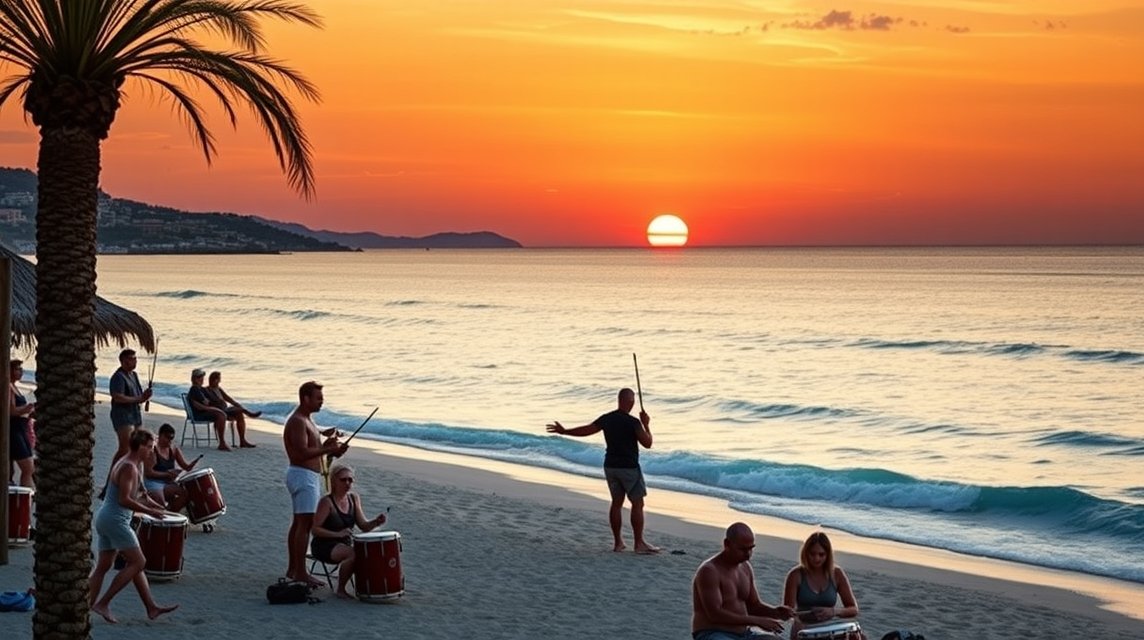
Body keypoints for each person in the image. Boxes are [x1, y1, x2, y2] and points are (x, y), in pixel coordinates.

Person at [546, 387, 659, 553]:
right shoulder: (634, 422)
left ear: (619, 401)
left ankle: (618, 543)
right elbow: (647, 443)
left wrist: (565, 431)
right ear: (631, 402)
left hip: (610, 467)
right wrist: (646, 425)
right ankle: (639, 543)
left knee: (616, 503)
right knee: (637, 503)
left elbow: (587, 430)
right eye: (633, 400)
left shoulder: (607, 418)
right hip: (628, 468)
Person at [88, 428, 178, 624]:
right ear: (140, 447)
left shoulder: (135, 465)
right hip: (115, 520)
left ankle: (150, 607)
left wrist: (159, 508)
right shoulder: (129, 467)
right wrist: (149, 512)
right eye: (149, 447)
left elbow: (143, 496)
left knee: (104, 566)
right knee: (139, 562)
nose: (152, 451)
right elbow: (124, 500)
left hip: (106, 519)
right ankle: (102, 604)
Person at [283, 380, 348, 586]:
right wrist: (327, 449)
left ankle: (293, 569)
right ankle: (300, 572)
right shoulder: (298, 421)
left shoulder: (307, 420)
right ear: (306, 398)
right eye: (318, 398)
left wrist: (331, 447)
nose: (322, 402)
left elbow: (314, 448)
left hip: (306, 475)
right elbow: (302, 452)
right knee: (305, 525)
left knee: (298, 524)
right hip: (302, 475)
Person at [692, 522, 794, 640]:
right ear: (727, 544)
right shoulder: (709, 571)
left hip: (744, 634)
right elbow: (714, 614)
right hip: (712, 632)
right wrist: (758, 621)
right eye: (742, 549)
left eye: (751, 549)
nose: (748, 554)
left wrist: (776, 612)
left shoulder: (745, 567)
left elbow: (753, 606)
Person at [310, 462, 388, 598]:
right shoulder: (327, 502)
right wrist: (337, 534)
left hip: (344, 543)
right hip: (324, 544)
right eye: (343, 480)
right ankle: (340, 589)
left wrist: (376, 522)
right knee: (353, 554)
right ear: (334, 481)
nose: (347, 483)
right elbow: (315, 530)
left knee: (367, 552)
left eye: (350, 480)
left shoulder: (353, 498)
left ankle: (371, 587)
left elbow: (363, 525)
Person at [783, 531, 860, 639]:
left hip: (830, 627)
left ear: (828, 555)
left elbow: (853, 609)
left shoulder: (837, 574)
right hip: (805, 628)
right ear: (806, 553)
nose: (816, 559)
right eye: (812, 554)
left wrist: (834, 611)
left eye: (821, 554)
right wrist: (797, 620)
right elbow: (787, 612)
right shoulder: (795, 575)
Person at [101, 349, 151, 499]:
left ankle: (136, 483)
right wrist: (138, 399)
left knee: (138, 448)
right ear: (123, 361)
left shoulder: (134, 375)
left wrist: (144, 396)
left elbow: (139, 395)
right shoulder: (118, 377)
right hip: (122, 415)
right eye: (131, 359)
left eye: (135, 359)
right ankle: (110, 484)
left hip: (135, 414)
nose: (134, 362)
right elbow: (118, 397)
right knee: (125, 448)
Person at [187, 368, 255, 450]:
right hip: (201, 414)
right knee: (221, 415)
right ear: (194, 379)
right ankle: (222, 443)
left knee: (238, 413)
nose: (202, 379)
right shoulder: (195, 389)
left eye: (202, 377)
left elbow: (209, 400)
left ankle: (242, 441)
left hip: (210, 410)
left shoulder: (201, 389)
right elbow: (205, 403)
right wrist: (214, 407)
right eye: (199, 377)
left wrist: (215, 403)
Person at [143, 423, 200, 512]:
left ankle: (171, 514)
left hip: (167, 482)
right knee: (160, 502)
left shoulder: (173, 449)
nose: (169, 441)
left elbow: (185, 467)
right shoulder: (153, 451)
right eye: (167, 438)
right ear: (160, 436)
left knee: (185, 494)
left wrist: (191, 465)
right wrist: (167, 474)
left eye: (171, 439)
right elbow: (148, 473)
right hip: (153, 482)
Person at [8, 359, 35, 488]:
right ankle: (24, 499)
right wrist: (26, 409)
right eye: (17, 369)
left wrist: (28, 412)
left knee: (29, 467)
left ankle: (25, 497)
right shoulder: (8, 387)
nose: (21, 371)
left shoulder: (14, 386)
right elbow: (11, 410)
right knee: (28, 468)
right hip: (14, 430)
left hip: (21, 428)